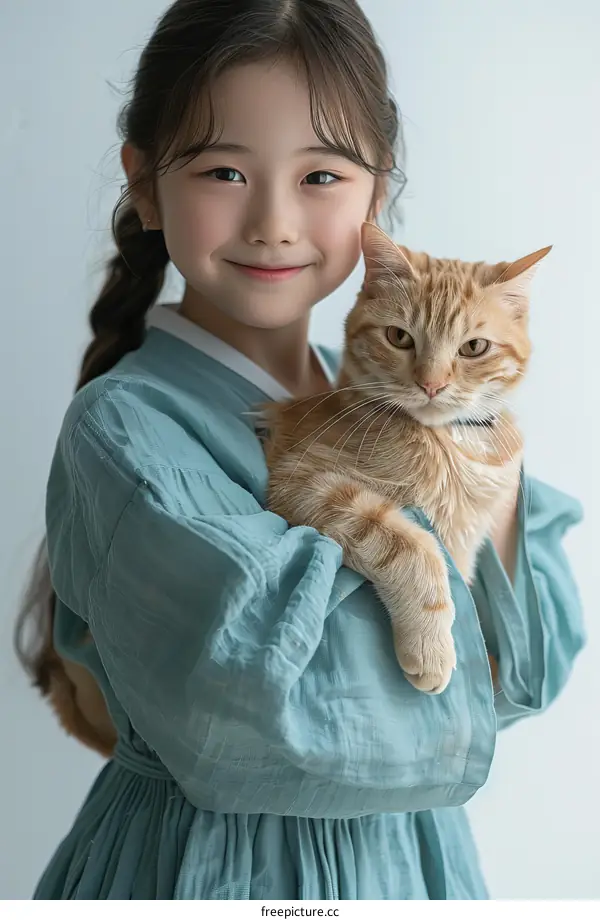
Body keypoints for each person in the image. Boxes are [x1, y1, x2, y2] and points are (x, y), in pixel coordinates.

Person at [18, 0, 584, 901]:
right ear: (144, 184)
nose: (274, 221)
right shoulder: (125, 428)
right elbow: (275, 719)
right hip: (213, 869)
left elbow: (523, 674)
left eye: (321, 174)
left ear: (375, 197)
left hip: (414, 869)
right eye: (223, 171)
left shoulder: (403, 395)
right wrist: (430, 575)